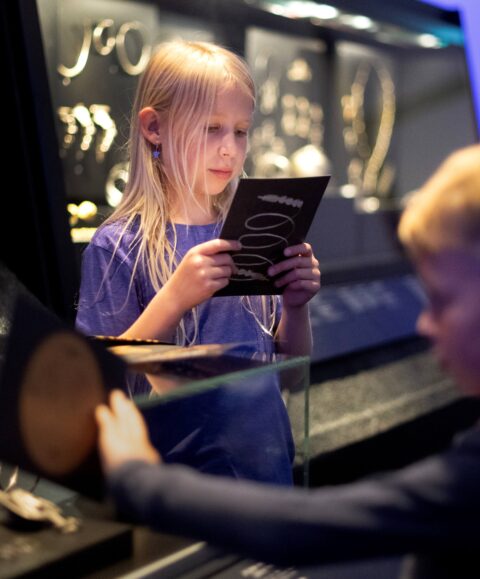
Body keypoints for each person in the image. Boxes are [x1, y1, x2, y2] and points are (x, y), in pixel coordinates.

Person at [96, 144, 480, 578]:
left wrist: (135, 478)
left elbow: (307, 531)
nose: (426, 323)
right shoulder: (114, 247)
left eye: (443, 299)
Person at [76, 40, 320, 484]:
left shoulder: (250, 232)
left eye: (241, 131)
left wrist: (296, 305)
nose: (230, 149)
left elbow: (287, 378)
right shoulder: (118, 246)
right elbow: (101, 388)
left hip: (267, 477)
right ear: (155, 127)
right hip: (177, 491)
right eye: (211, 128)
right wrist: (173, 299)